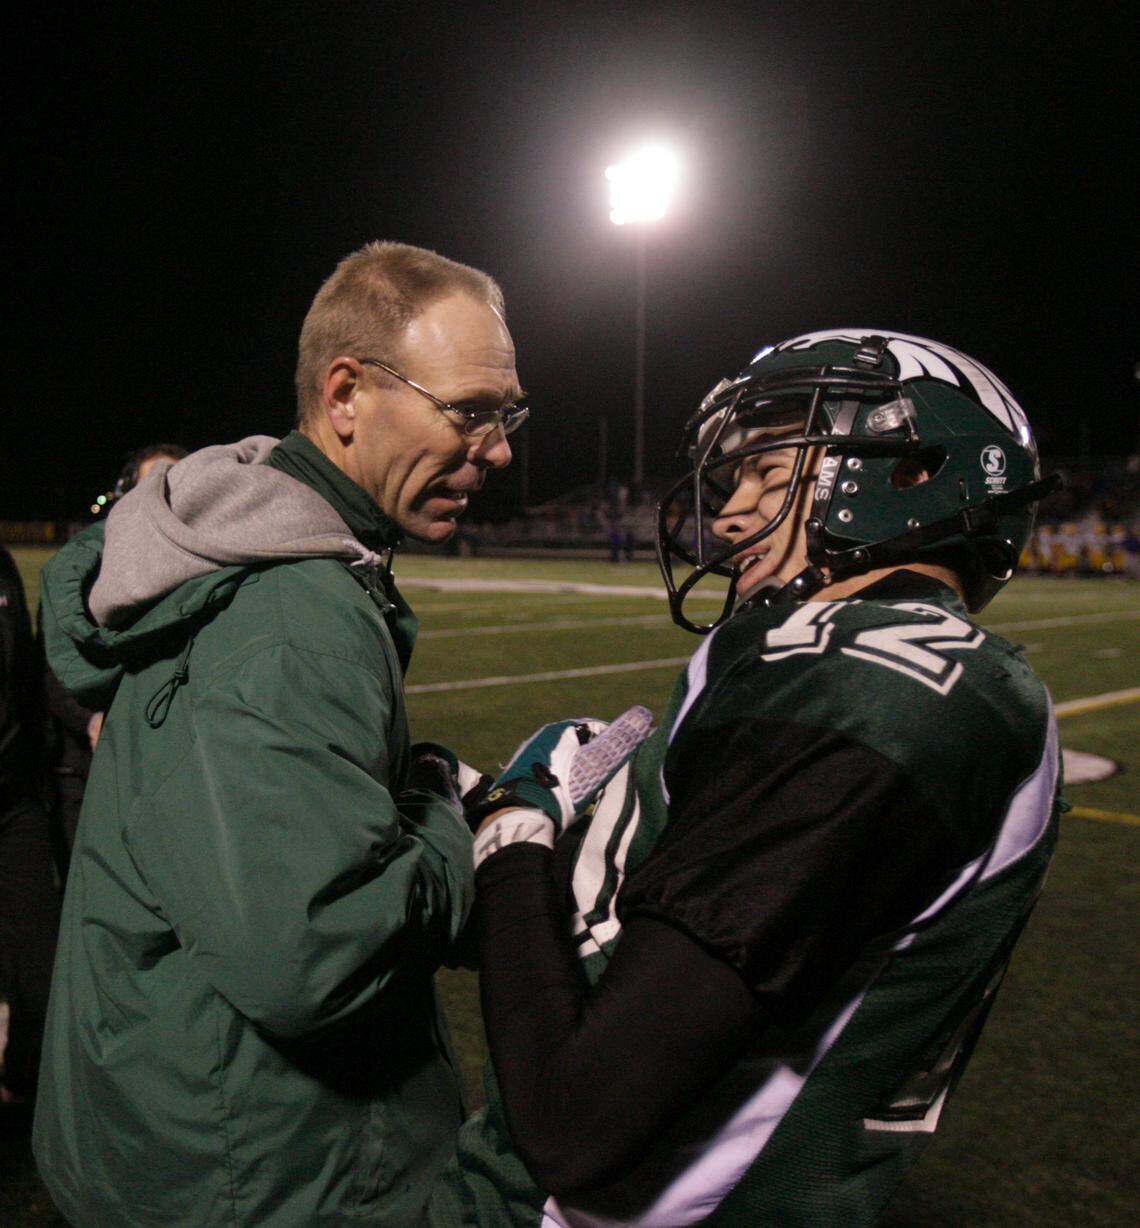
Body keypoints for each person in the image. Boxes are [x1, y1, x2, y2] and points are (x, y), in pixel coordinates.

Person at [429, 329, 1062, 1227]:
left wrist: (512, 837)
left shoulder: (881, 684)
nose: (728, 517)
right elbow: (665, 929)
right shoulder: (848, 663)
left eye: (768, 473)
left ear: (911, 470)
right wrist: (551, 822)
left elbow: (574, 1118)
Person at [33, 241, 525, 1226]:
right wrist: (451, 814)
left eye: (508, 415)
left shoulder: (241, 545)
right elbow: (314, 959)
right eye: (470, 411)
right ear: (346, 395)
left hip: (169, 1129)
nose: (499, 448)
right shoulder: (296, 612)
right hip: (258, 1172)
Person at [43, 443, 188, 861]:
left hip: (165, 775)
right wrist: (90, 719)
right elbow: (54, 672)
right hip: (89, 770)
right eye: (151, 488)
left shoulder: (205, 575)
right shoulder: (81, 570)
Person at [0, 543, 60, 1112]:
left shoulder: (4, 564)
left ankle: (21, 1082)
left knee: (39, 956)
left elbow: (23, 669)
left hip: (15, 799)